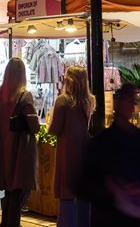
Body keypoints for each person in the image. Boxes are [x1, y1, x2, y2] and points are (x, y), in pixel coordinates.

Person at [80, 84, 140, 226]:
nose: (130, 105)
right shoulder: (103, 141)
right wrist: (112, 190)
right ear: (117, 103)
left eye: (132, 101)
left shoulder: (139, 139)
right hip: (109, 215)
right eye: (127, 100)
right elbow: (86, 183)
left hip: (130, 215)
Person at [0, 57, 40, 227]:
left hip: (3, 149)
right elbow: (34, 127)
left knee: (10, 190)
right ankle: (11, 223)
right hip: (20, 149)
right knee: (20, 190)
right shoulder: (24, 95)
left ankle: (6, 223)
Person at [48, 66, 95, 227]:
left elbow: (54, 129)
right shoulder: (89, 101)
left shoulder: (63, 101)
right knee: (83, 195)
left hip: (67, 153)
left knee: (66, 195)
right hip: (85, 151)